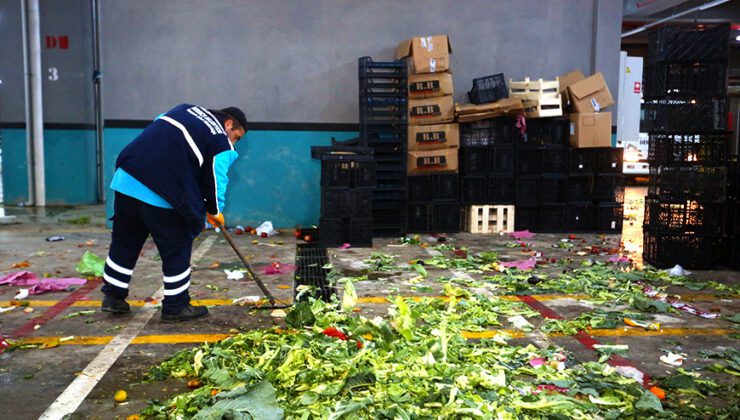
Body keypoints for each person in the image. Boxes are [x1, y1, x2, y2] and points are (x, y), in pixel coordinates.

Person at [101, 104, 246, 322]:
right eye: (236, 136)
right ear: (228, 123)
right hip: (163, 192)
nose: (233, 142)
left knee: (125, 242)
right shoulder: (219, 139)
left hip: (127, 179)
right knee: (177, 246)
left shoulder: (183, 110)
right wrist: (215, 211)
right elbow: (216, 178)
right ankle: (176, 306)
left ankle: (113, 297)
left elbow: (159, 135)